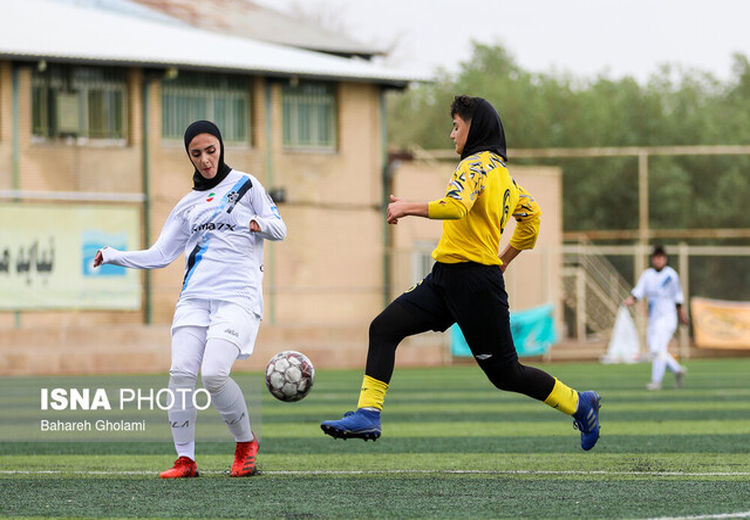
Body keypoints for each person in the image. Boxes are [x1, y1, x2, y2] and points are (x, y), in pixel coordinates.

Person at [321, 95, 601, 451]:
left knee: (506, 374)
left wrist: (407, 207)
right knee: (384, 327)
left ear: (476, 127)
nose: (452, 134)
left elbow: (456, 206)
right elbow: (532, 217)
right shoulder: (505, 178)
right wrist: (506, 258)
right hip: (445, 280)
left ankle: (580, 403)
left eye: (456, 125)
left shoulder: (473, 167)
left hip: (474, 286)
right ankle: (368, 413)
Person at [93, 120, 286, 477]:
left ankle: (245, 442)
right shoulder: (187, 205)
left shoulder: (247, 185)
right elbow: (161, 254)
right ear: (189, 156)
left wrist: (258, 224)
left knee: (213, 374)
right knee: (181, 375)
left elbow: (281, 228)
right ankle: (186, 459)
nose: (205, 159)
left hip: (237, 297)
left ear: (221, 147)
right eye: (196, 154)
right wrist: (114, 254)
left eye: (210, 150)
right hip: (194, 299)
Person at [624, 245, 689, 390]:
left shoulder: (671, 275)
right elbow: (639, 291)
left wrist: (682, 314)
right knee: (654, 350)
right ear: (653, 259)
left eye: (661, 257)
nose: (659, 260)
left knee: (659, 349)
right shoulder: (648, 275)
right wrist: (631, 299)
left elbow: (678, 296)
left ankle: (656, 381)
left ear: (665, 259)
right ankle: (677, 370)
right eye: (656, 258)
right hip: (654, 318)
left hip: (668, 317)